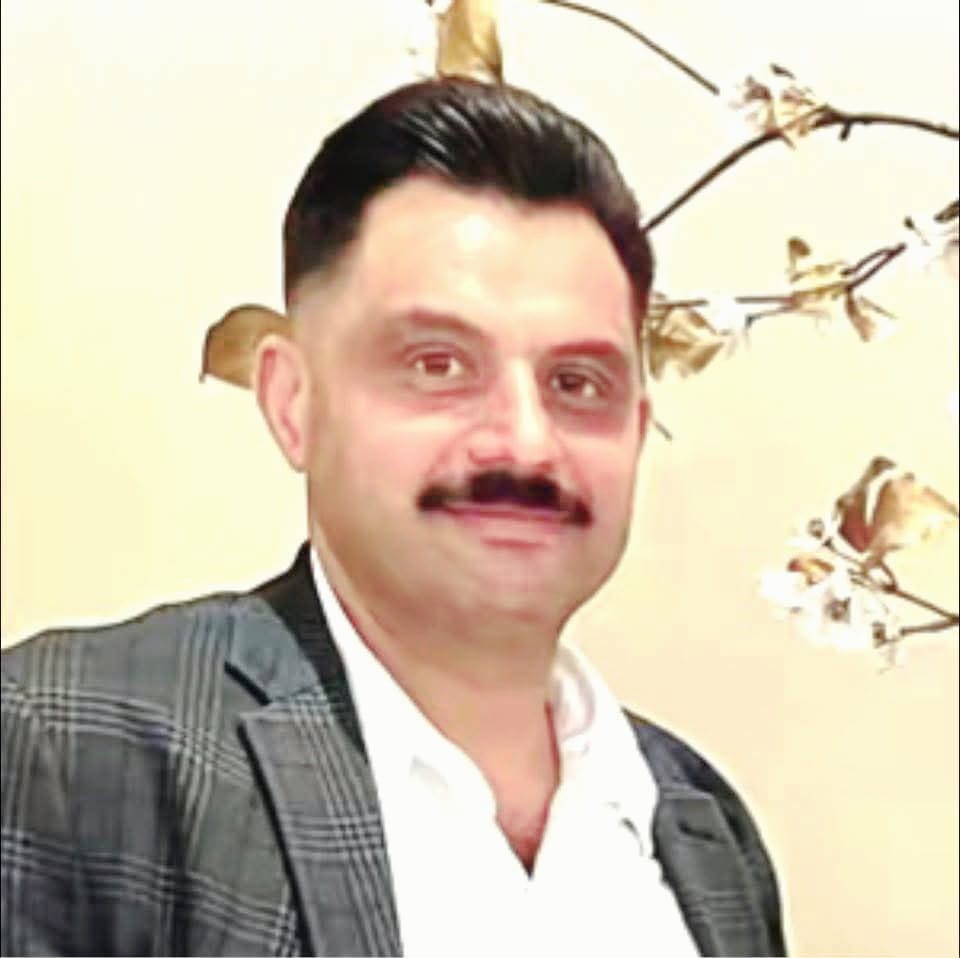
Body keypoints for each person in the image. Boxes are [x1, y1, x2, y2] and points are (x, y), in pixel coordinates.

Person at [1, 77, 786, 957]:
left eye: (576, 383)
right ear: (293, 403)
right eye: (438, 364)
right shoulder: (69, 751)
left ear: (637, 430)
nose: (525, 444)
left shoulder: (703, 831)